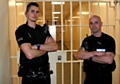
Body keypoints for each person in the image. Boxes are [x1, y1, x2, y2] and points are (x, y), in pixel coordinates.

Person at [15, 2, 58, 84]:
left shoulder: (42, 30)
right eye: (32, 11)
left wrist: (37, 46)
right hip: (30, 78)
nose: (35, 14)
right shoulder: (21, 30)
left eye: (37, 12)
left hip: (45, 77)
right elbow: (30, 55)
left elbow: (55, 47)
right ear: (26, 13)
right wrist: (46, 48)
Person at [77, 15, 116, 84]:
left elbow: (109, 60)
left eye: (96, 22)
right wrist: (94, 53)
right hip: (90, 77)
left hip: (105, 78)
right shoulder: (87, 40)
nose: (93, 25)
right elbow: (79, 55)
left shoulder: (109, 40)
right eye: (91, 23)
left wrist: (90, 57)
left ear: (101, 24)